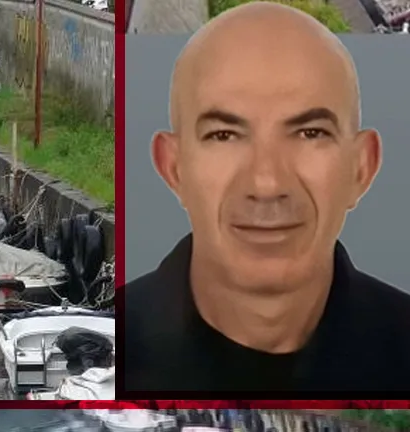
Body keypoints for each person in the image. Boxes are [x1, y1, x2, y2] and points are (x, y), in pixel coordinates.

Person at [121, 2, 410, 395]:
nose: (267, 182)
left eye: (310, 133)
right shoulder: (108, 348)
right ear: (174, 168)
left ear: (362, 167)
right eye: (223, 135)